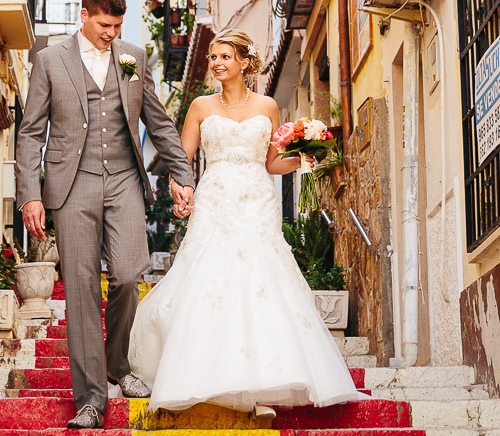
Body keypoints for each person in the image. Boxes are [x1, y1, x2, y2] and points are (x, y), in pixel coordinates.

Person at [128, 29, 363, 414]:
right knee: (211, 276)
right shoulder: (200, 107)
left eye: (224, 57)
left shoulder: (268, 106)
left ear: (244, 62)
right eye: (212, 58)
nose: (217, 63)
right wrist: (179, 189)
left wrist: (308, 158)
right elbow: (180, 158)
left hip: (257, 198)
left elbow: (271, 163)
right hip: (216, 197)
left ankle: (264, 380)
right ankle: (204, 371)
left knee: (261, 279)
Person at [15, 0, 196, 430]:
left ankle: (118, 364)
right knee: (79, 288)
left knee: (129, 273)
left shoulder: (134, 58)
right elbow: (31, 132)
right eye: (103, 25)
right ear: (84, 14)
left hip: (123, 180)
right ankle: (91, 398)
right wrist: (29, 195)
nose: (111, 34)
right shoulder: (49, 61)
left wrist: (181, 174)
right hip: (70, 186)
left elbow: (158, 121)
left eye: (117, 26)